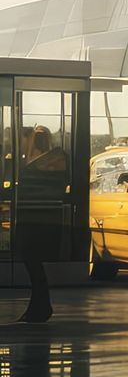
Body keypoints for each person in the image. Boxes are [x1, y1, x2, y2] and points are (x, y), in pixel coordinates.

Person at [14, 125, 68, 324]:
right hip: (38, 218)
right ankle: (39, 305)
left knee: (32, 262)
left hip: (35, 219)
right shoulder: (45, 160)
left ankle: (41, 306)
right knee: (33, 263)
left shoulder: (41, 162)